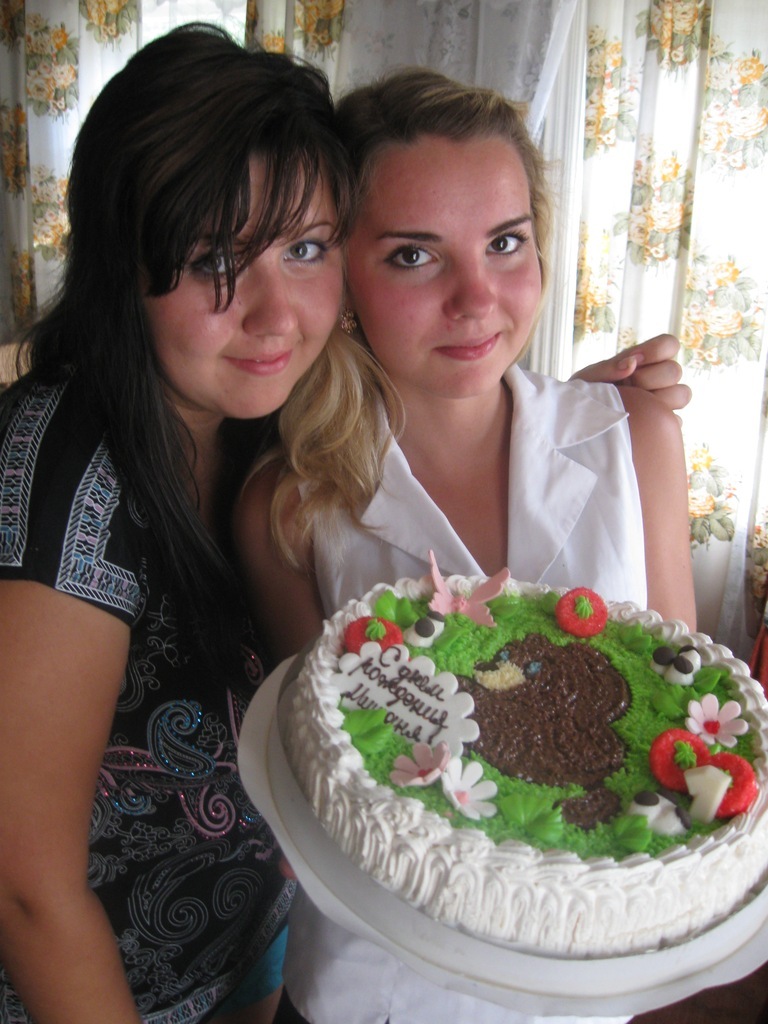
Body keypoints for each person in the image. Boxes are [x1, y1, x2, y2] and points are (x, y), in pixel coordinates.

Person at [232, 67, 695, 1024]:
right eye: (414, 256)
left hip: (579, 980)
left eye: (504, 243)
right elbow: (323, 781)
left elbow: (676, 723)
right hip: (375, 986)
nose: (477, 298)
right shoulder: (290, 509)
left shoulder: (636, 440)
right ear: (343, 277)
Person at [0, 24, 355, 1024]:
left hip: (254, 950)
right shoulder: (63, 479)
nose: (276, 313)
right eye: (212, 260)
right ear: (124, 269)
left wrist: (570, 416)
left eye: (305, 248)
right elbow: (26, 891)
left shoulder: (277, 415)